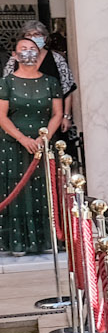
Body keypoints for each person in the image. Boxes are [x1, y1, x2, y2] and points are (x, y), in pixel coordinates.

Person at [0, 32, 63, 254]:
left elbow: (57, 114)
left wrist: (42, 138)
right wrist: (22, 138)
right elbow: (1, 116)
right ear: (15, 55)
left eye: (32, 48)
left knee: (44, 190)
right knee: (16, 189)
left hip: (43, 142)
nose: (29, 52)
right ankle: (17, 242)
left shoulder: (51, 82)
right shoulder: (6, 82)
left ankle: (47, 240)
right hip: (13, 144)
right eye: (23, 49)